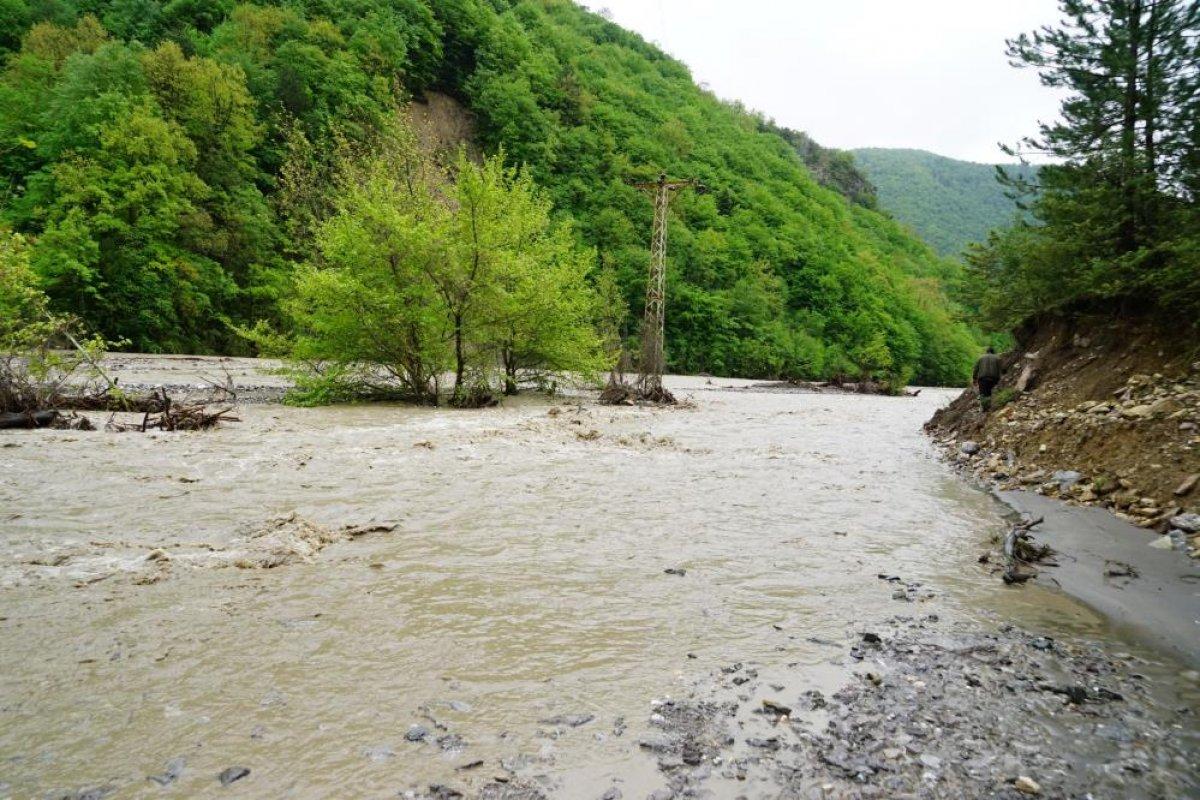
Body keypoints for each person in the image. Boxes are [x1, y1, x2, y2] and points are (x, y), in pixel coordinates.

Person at [972, 346, 1002, 410]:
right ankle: (990, 406)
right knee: (990, 392)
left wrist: (974, 378)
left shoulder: (981, 358)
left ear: (987, 351)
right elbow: (1002, 368)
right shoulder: (997, 358)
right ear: (993, 352)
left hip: (983, 379)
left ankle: (985, 408)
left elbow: (976, 369)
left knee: (983, 393)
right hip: (994, 379)